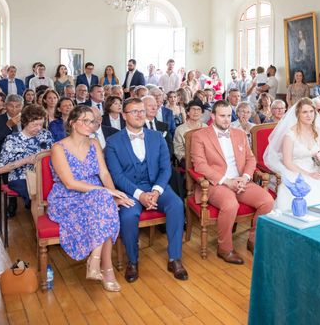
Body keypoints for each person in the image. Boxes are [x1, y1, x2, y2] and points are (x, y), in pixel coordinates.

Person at [48, 105, 133, 292]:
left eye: (92, 121)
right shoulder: (58, 147)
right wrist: (107, 193)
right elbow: (70, 183)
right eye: (85, 120)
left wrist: (114, 194)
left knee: (104, 206)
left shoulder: (94, 143)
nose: (90, 124)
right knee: (104, 204)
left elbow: (104, 173)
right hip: (67, 198)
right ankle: (105, 268)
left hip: (96, 196)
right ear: (72, 122)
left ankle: (95, 262)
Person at [104, 98, 188, 282]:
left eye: (142, 111)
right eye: (134, 111)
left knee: (176, 204)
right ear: (124, 115)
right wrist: (140, 195)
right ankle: (132, 261)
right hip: (130, 190)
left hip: (156, 186)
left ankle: (175, 258)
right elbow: (117, 176)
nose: (140, 114)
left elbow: (166, 168)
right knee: (128, 215)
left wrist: (156, 191)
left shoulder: (157, 137)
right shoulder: (112, 142)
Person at [190, 100, 274, 264]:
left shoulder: (240, 133)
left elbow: (251, 159)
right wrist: (226, 181)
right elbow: (200, 165)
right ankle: (225, 248)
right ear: (213, 116)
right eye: (222, 116)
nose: (226, 119)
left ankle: (253, 239)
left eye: (229, 115)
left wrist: (245, 178)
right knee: (230, 204)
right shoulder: (199, 135)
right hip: (216, 183)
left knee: (268, 201)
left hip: (241, 181)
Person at [0, 105, 53, 216]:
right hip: (20, 177)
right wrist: (25, 160)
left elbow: (54, 155)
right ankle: (43, 227)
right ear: (24, 122)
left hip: (44, 174)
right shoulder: (12, 139)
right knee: (37, 194)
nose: (38, 128)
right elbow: (1, 169)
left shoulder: (46, 134)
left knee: (55, 190)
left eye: (40, 124)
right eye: (34, 125)